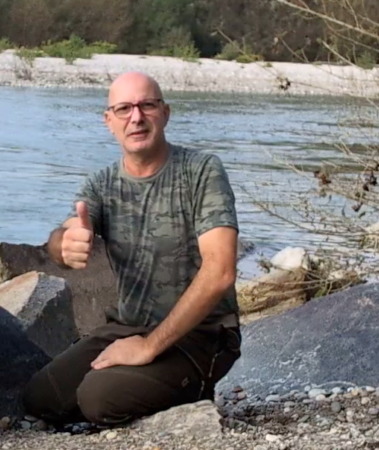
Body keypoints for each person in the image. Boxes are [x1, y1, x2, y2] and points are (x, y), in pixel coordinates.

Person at [22, 72, 242, 427]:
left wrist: (149, 348)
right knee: (40, 397)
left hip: (203, 335)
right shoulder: (102, 184)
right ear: (109, 121)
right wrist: (64, 244)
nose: (136, 117)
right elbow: (68, 229)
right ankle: (147, 380)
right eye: (123, 109)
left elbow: (220, 271)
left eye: (146, 105)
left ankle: (191, 387)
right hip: (129, 326)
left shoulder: (202, 171)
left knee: (98, 398)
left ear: (165, 112)